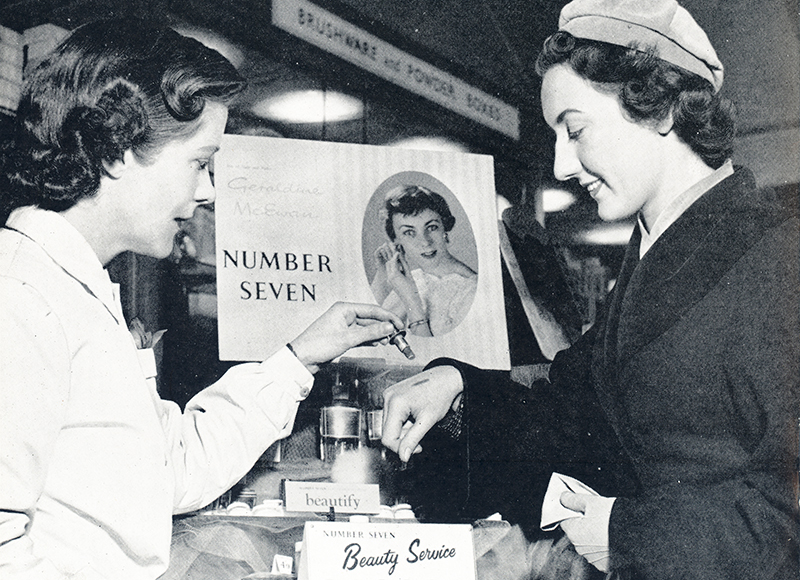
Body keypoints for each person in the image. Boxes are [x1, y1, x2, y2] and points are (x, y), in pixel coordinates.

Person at [380, 1, 799, 578]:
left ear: (656, 108)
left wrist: (622, 531)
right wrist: (458, 381)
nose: (560, 165)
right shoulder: (654, 248)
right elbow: (575, 395)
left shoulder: (780, 259)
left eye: (575, 130)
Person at [0, 19, 402, 580]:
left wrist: (301, 355)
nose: (209, 189)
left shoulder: (72, 288)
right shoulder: (21, 298)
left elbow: (171, 467)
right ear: (117, 151)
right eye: (199, 161)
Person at [370, 184, 477, 336]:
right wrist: (382, 275)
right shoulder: (407, 279)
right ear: (396, 240)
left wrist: (411, 300)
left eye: (432, 227)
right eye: (409, 232)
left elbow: (432, 354)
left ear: (444, 229)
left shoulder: (470, 289)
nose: (425, 242)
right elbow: (366, 329)